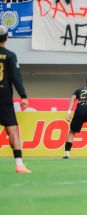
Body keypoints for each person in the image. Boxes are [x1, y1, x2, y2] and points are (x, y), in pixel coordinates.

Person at [0, 25, 32, 173]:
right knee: (12, 131)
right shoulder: (10, 56)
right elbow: (16, 78)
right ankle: (19, 164)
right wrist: (23, 96)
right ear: (6, 38)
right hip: (4, 97)